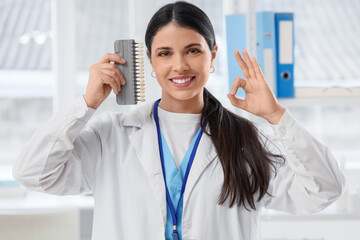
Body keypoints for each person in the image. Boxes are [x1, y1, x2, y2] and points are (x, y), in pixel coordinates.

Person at [13, 1, 345, 240]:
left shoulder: (246, 140)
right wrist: (86, 105)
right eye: (165, 53)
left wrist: (276, 116)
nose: (180, 65)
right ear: (149, 61)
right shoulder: (111, 135)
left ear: (212, 55)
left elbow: (324, 190)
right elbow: (33, 173)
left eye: (193, 50)